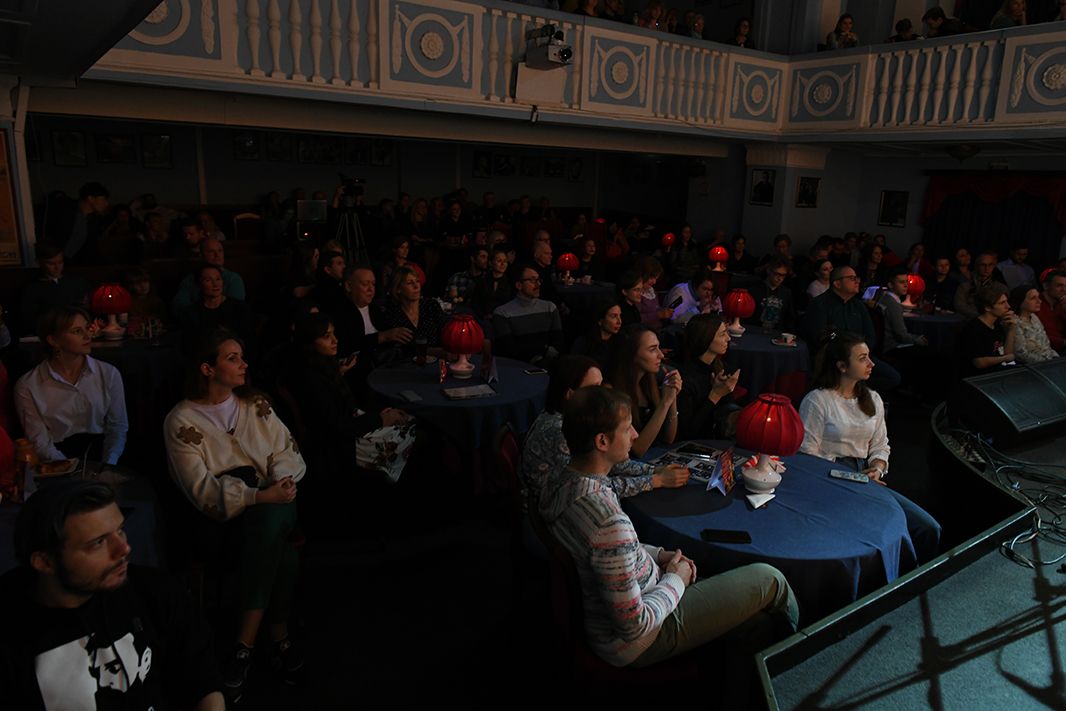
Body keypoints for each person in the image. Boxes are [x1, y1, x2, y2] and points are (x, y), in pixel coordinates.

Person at [538, 386, 798, 683]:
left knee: (758, 623)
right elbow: (634, 626)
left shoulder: (564, 481)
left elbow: (608, 550)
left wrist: (659, 555)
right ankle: (803, 659)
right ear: (602, 441)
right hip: (638, 641)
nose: (635, 435)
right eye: (627, 428)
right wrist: (677, 578)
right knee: (770, 579)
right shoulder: (607, 520)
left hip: (635, 599)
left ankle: (754, 683)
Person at [164, 330, 306, 703]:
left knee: (272, 518)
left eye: (241, 356)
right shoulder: (180, 421)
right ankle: (278, 636)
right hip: (223, 519)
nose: (244, 364)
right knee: (283, 552)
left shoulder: (256, 404)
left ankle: (242, 646)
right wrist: (256, 496)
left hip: (276, 498)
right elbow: (200, 489)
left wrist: (280, 482)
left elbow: (286, 449)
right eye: (232, 358)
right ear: (207, 369)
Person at [0, 480, 224, 709]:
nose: (124, 549)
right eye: (98, 543)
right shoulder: (11, 630)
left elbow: (205, 684)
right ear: (45, 562)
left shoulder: (154, 591)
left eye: (120, 530)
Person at [799, 332, 941, 563]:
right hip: (830, 478)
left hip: (864, 475)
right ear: (842, 366)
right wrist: (848, 478)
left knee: (928, 528)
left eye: (869, 357)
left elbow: (880, 445)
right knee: (869, 539)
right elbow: (807, 455)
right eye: (862, 358)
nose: (871, 364)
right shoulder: (818, 400)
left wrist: (877, 468)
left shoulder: (872, 398)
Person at [522, 355, 689, 503]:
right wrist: (657, 480)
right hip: (549, 515)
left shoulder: (576, 418)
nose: (603, 393)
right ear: (571, 395)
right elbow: (593, 487)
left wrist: (655, 470)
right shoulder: (559, 431)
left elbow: (610, 463)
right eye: (594, 388)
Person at [285, 314, 413, 489]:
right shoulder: (310, 379)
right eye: (327, 336)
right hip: (342, 444)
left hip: (351, 427)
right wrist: (381, 419)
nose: (335, 340)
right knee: (412, 433)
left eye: (334, 333)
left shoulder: (321, 366)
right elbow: (338, 425)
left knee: (407, 421)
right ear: (310, 342)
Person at [15, 306, 128, 466]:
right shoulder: (28, 385)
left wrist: (108, 464)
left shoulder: (108, 373)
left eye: (87, 328)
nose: (87, 335)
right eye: (77, 331)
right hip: (56, 461)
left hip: (101, 455)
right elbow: (39, 441)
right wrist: (68, 467)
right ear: (53, 340)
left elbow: (117, 427)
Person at [801, 266, 901, 393]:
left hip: (860, 355)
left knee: (892, 377)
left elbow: (870, 336)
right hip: (833, 357)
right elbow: (819, 337)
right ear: (837, 283)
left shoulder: (858, 305)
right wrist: (846, 352)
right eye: (852, 278)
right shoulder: (819, 304)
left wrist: (861, 354)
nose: (857, 281)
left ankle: (854, 391)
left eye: (857, 278)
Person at [604, 324, 681, 458]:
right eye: (652, 349)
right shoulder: (611, 391)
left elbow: (668, 439)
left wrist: (672, 398)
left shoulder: (649, 380)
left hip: (655, 457)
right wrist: (665, 403)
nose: (661, 355)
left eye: (659, 347)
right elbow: (637, 450)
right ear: (632, 354)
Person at [676, 314, 740, 440]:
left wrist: (726, 390)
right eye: (722, 334)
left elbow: (727, 412)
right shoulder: (685, 378)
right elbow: (687, 432)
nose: (728, 338)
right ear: (705, 338)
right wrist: (715, 395)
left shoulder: (720, 368)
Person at [490, 264, 564, 363]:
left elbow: (558, 342)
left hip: (548, 364)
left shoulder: (550, 308)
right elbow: (510, 348)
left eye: (538, 280)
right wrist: (543, 350)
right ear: (519, 285)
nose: (538, 284)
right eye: (532, 280)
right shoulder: (502, 313)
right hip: (517, 365)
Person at [174, 263, 256, 351]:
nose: (215, 284)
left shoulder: (239, 308)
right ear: (199, 285)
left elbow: (248, 340)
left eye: (218, 279)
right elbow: (188, 345)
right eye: (208, 280)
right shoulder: (192, 312)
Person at [20, 243, 90, 333]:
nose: (57, 267)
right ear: (39, 262)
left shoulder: (77, 282)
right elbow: (29, 319)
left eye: (60, 262)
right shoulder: (32, 289)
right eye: (51, 263)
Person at [380, 265, 446, 359]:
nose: (416, 286)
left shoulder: (431, 306)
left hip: (437, 362)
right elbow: (400, 351)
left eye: (417, 281)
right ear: (398, 289)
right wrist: (433, 352)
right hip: (407, 365)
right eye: (409, 283)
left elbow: (446, 334)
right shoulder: (392, 314)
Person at [957, 283, 1017, 379]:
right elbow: (979, 363)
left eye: (1007, 301)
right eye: (1002, 303)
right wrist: (1005, 358)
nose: (1008, 306)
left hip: (997, 373)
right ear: (987, 307)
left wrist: (1011, 330)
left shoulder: (997, 325)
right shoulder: (974, 329)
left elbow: (1007, 354)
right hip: (978, 378)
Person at [172, 237, 247, 309]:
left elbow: (236, 309)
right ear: (201, 256)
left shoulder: (233, 279)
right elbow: (179, 307)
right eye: (211, 251)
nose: (217, 255)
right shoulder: (190, 280)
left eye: (220, 251)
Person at [1010, 285, 1059, 363]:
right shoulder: (1014, 322)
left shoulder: (1034, 317)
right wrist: (1048, 363)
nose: (1039, 301)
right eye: (1033, 298)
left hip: (1050, 361)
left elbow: (1046, 344)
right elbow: (1021, 354)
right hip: (1035, 366)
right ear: (1020, 301)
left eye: (1038, 297)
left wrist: (1056, 358)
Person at [746, 255, 795, 332]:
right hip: (755, 332)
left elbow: (789, 319)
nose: (780, 278)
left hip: (777, 334)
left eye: (783, 275)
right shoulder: (754, 290)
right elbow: (747, 317)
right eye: (777, 274)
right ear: (769, 270)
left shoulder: (786, 293)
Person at [571, 299, 623, 365]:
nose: (619, 321)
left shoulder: (622, 342)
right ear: (600, 320)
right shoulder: (583, 343)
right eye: (613, 316)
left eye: (620, 315)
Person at [954, 251, 1003, 318]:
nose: (987, 268)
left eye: (990, 265)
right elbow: (960, 306)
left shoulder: (1000, 287)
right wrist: (980, 316)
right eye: (983, 265)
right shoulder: (964, 287)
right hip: (969, 320)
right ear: (977, 266)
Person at [472, 247, 515, 317]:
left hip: (504, 317)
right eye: (499, 261)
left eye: (505, 261)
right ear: (490, 263)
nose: (503, 264)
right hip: (483, 318)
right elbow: (475, 303)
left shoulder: (511, 282)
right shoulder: (482, 281)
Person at [636, 256, 673, 330]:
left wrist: (665, 312)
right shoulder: (636, 294)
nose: (654, 282)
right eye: (652, 278)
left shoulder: (651, 291)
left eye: (656, 278)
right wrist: (658, 315)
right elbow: (636, 319)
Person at [1036, 269, 1066, 352]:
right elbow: (1036, 336)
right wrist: (1063, 342)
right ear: (1046, 286)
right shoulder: (1035, 303)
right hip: (1043, 352)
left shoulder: (1062, 304)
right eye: (1059, 286)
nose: (1064, 289)